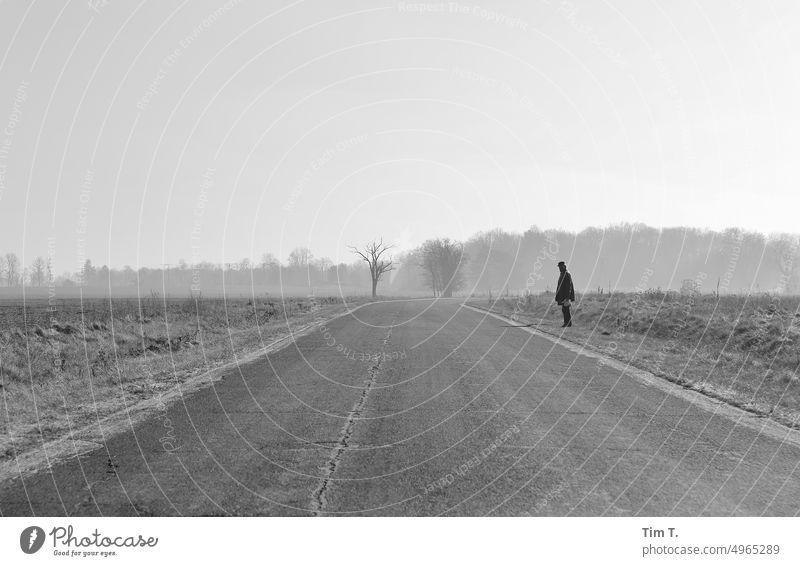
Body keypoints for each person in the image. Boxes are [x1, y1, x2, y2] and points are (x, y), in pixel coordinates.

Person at [555, 261, 575, 327]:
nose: (559, 268)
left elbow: (568, 286)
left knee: (565, 309)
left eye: (560, 267)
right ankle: (567, 323)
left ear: (564, 266)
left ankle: (568, 323)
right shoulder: (563, 273)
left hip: (565, 295)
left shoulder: (566, 274)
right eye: (559, 267)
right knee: (564, 309)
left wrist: (567, 297)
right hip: (563, 295)